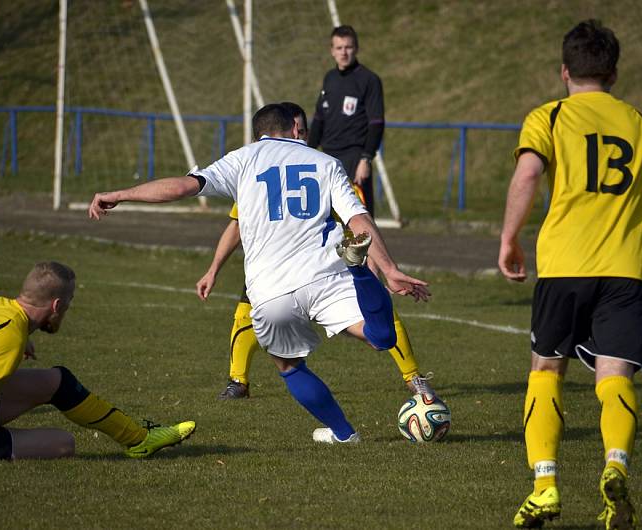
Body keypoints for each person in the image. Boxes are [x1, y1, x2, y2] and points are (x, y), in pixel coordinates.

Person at [89, 103, 430, 444]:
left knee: (289, 366)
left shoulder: (242, 158)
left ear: (259, 133)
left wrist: (121, 194)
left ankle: (344, 434)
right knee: (379, 337)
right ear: (294, 129)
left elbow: (182, 187)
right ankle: (360, 274)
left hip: (270, 291)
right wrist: (388, 268)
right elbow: (358, 218)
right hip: (326, 274)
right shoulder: (326, 163)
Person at [498, 20, 642, 529]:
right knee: (614, 377)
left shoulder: (549, 116)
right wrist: (632, 225)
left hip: (564, 265)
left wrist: (510, 239)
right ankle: (615, 466)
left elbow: (530, 173)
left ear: (565, 71)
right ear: (614, 73)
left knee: (545, 370)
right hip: (627, 270)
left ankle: (544, 486)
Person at [200, 102, 434, 401]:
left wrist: (377, 269)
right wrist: (213, 269)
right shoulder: (262, 173)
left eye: (303, 130)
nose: (298, 134)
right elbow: (236, 226)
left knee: (380, 321)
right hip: (276, 269)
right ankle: (238, 380)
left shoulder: (324, 169)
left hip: (327, 271)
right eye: (295, 129)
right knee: (247, 308)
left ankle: (413, 377)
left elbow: (359, 224)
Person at [0, 261, 196, 465]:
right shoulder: (8, 334)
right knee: (63, 443)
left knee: (56, 380)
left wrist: (22, 339)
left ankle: (139, 438)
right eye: (70, 301)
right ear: (57, 305)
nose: (69, 307)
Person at [308, 25, 384, 217]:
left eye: (348, 47)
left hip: (354, 158)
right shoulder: (330, 78)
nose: (344, 52)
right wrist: (307, 151)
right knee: (330, 218)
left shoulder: (369, 80)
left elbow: (376, 123)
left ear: (356, 48)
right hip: (327, 157)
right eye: (339, 47)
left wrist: (365, 159)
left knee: (360, 219)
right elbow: (319, 118)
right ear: (332, 51)